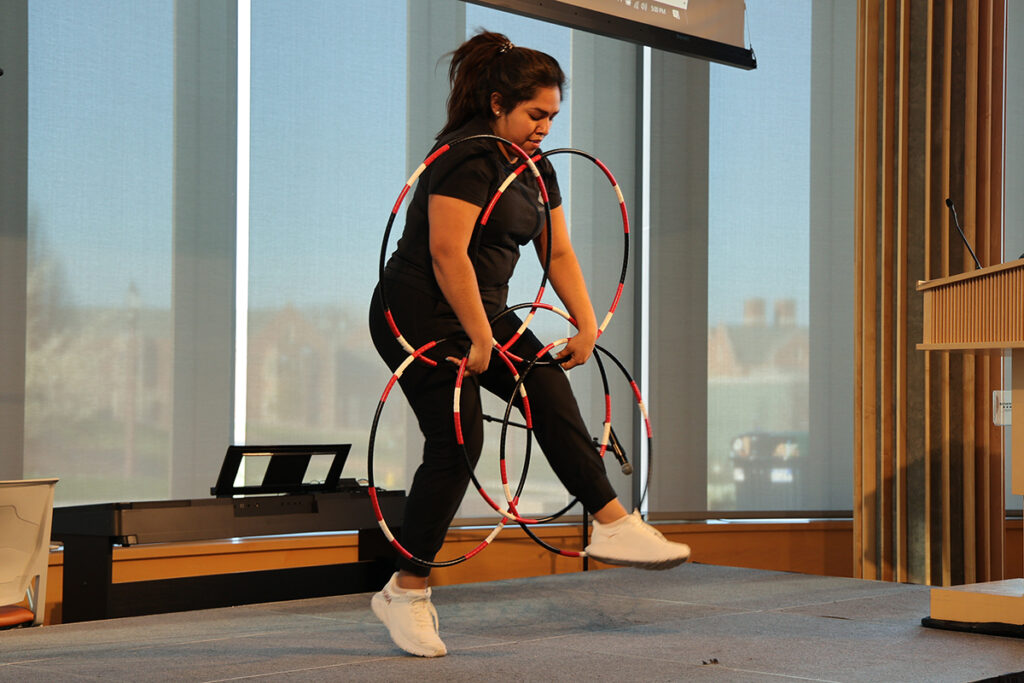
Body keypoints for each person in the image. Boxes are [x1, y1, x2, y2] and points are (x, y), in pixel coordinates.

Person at [367, 30, 690, 658]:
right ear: (496, 104)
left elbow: (558, 250)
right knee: (459, 441)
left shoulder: (535, 166)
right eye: (535, 114)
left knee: (545, 380)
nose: (545, 126)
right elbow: (445, 252)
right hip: (417, 311)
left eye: (552, 116)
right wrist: (481, 336)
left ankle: (613, 524)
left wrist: (587, 322)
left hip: (480, 308)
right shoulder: (466, 155)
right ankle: (405, 591)